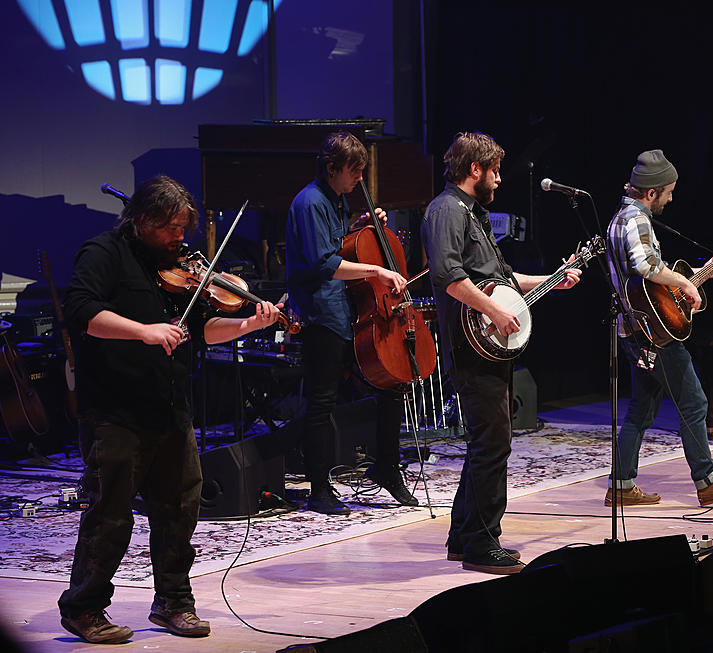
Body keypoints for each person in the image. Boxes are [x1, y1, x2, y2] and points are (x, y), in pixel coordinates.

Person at [58, 175, 283, 644]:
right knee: (111, 513)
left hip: (170, 407)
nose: (181, 239)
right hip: (115, 410)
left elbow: (203, 329)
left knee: (179, 510)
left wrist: (246, 324)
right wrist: (144, 330)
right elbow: (82, 312)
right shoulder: (103, 253)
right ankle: (83, 608)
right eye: (171, 229)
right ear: (142, 221)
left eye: (185, 228)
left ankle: (173, 603)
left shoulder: (181, 267)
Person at [421, 131, 581, 574]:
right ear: (475, 169)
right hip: (470, 348)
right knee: (493, 444)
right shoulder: (445, 211)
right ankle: (481, 542)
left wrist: (554, 278)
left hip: (489, 350)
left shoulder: (471, 213)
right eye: (494, 170)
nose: (498, 179)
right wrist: (492, 310)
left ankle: (464, 537)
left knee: (487, 444)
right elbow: (449, 276)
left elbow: (505, 280)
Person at [606, 150, 713, 507]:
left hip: (633, 331)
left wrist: (699, 274)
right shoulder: (636, 219)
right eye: (668, 192)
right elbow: (646, 266)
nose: (671, 199)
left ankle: (621, 486)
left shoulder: (619, 218)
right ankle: (708, 481)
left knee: (641, 408)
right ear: (652, 191)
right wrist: (688, 285)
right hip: (654, 336)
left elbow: (654, 285)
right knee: (694, 402)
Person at [285, 130, 418, 516]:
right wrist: (376, 271)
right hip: (321, 314)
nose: (360, 178)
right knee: (322, 401)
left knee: (391, 384)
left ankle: (387, 469)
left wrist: (359, 224)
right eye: (354, 171)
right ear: (331, 168)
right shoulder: (310, 202)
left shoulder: (335, 199)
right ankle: (319, 488)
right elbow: (324, 263)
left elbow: (337, 245)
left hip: (347, 312)